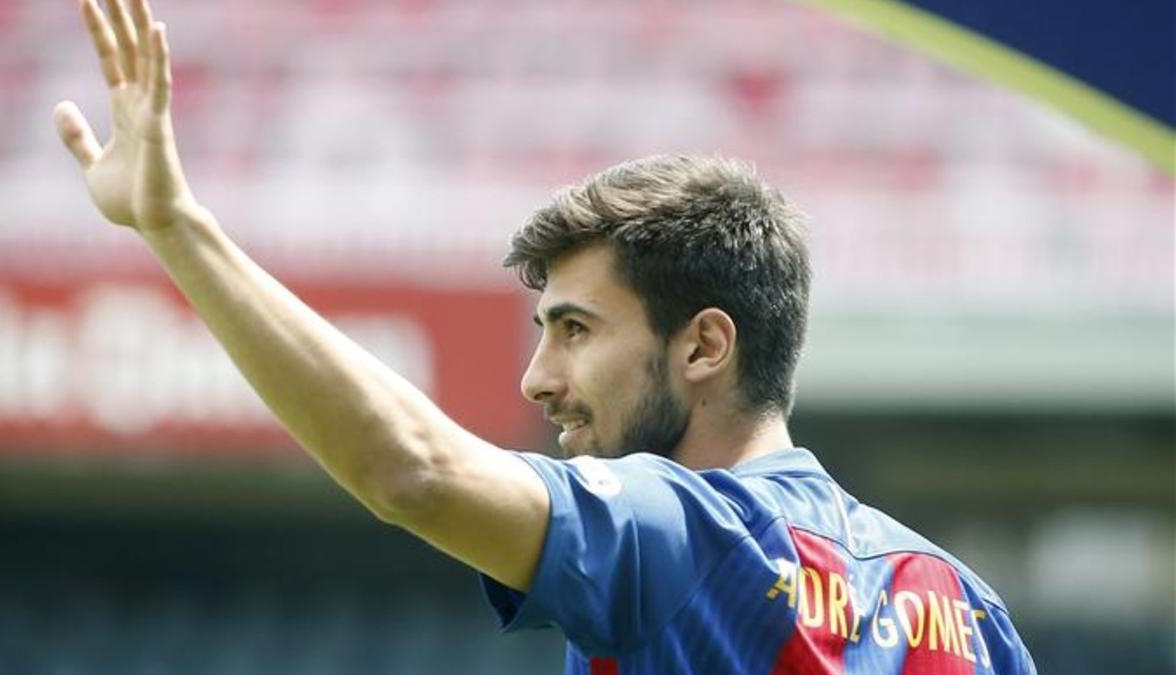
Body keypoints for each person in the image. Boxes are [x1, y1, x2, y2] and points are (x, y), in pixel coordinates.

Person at [53, 1, 1037, 672]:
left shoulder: (683, 533)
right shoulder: (963, 604)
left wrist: (178, 228)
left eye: (574, 330)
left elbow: (411, 471)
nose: (538, 378)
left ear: (703, 347)